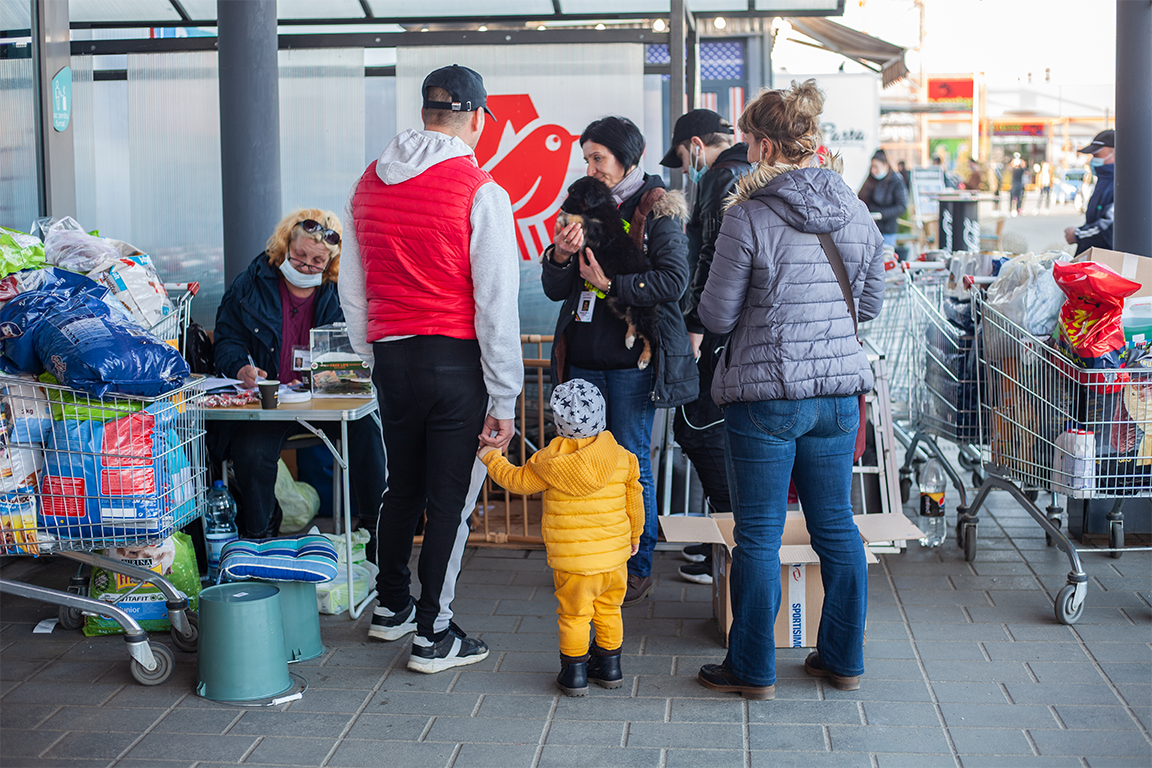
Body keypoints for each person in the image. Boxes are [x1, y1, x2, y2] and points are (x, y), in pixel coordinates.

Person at [694, 79, 885, 700]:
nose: (745, 151)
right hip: (838, 397)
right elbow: (871, 304)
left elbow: (716, 315)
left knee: (758, 533)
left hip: (767, 395)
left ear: (769, 146)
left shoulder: (747, 215)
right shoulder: (854, 208)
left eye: (749, 140)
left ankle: (752, 669)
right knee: (836, 526)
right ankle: (843, 660)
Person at [339, 64, 522, 673]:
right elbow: (495, 303)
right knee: (449, 502)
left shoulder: (367, 184)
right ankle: (433, 634)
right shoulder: (480, 189)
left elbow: (353, 289)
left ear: (425, 113)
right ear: (477, 119)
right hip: (454, 363)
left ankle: (391, 607)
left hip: (392, 358)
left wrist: (374, 355)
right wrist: (505, 397)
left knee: (402, 488)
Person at [542, 115, 697, 608]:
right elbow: (554, 289)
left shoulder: (657, 206)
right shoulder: (582, 203)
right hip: (581, 359)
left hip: (631, 365)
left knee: (629, 465)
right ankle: (589, 559)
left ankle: (636, 568)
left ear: (628, 158)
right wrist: (560, 258)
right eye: (587, 159)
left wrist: (611, 285)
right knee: (580, 464)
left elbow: (674, 281)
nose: (592, 168)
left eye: (599, 158)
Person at [210, 209, 387, 550]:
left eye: (317, 261)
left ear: (331, 261)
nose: (306, 266)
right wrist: (240, 368)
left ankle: (376, 531)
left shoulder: (342, 290)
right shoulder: (250, 284)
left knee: (369, 431)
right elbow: (228, 340)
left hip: (326, 400)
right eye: (299, 255)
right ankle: (258, 540)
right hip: (270, 402)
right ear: (285, 246)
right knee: (251, 450)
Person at [478, 379, 644, 696]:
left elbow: (515, 481)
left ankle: (574, 674)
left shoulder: (548, 462)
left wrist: (491, 456)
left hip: (573, 563)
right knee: (610, 609)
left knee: (574, 615)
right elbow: (635, 501)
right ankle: (610, 667)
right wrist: (635, 534)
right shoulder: (623, 457)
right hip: (614, 559)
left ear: (558, 422)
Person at [658, 109, 752, 584]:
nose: (683, 168)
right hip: (739, 330)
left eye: (680, 157)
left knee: (697, 428)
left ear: (695, 145)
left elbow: (714, 258)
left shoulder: (721, 176)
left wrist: (695, 327)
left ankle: (730, 543)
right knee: (717, 434)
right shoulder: (748, 171)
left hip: (717, 329)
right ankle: (724, 538)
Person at [1064, 129, 1115, 254]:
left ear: (1115, 154)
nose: (1093, 160)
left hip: (1106, 259)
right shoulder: (1104, 179)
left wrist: (1078, 234)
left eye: (1097, 155)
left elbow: (1109, 225)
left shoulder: (1120, 184)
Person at [858, 149, 907, 250]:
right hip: (870, 228)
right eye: (872, 167)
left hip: (887, 229)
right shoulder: (870, 180)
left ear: (885, 165)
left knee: (886, 255)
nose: (873, 170)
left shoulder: (896, 181)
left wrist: (881, 215)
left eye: (876, 167)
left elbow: (901, 206)